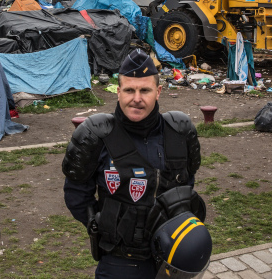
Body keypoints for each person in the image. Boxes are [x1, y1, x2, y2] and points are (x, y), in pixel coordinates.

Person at [62, 49, 206, 279]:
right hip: (120, 261)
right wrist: (106, 226)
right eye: (129, 90)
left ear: (158, 91)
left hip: (172, 259)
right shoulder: (96, 135)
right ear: (118, 92)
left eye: (145, 90)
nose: (136, 98)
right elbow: (77, 194)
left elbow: (187, 185)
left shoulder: (180, 132)